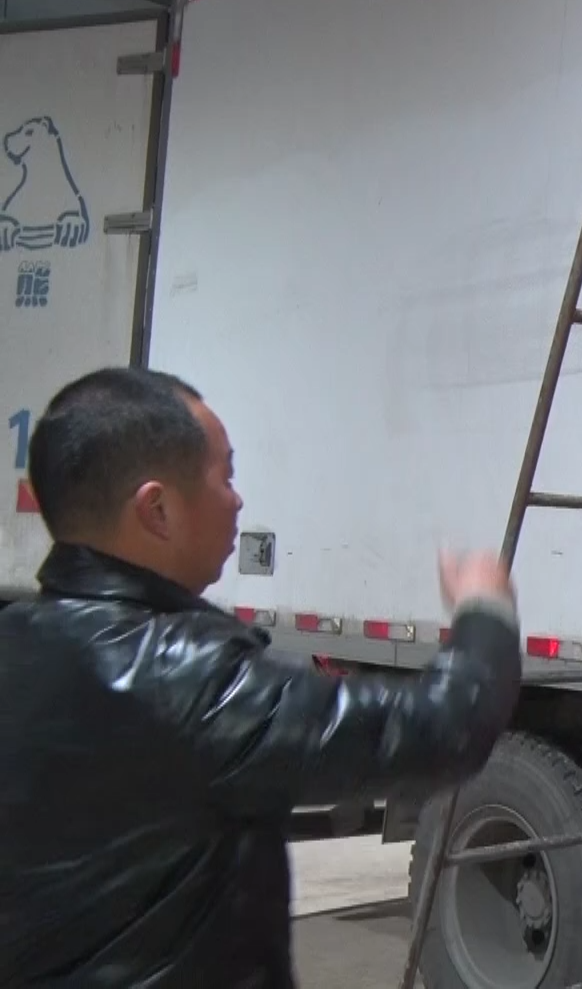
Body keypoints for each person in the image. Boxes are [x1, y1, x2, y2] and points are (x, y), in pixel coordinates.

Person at [0, 367, 524, 988]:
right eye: (224, 476)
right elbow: (444, 726)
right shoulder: (186, 677)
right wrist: (485, 612)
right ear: (156, 509)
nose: (237, 500)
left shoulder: (18, 641)